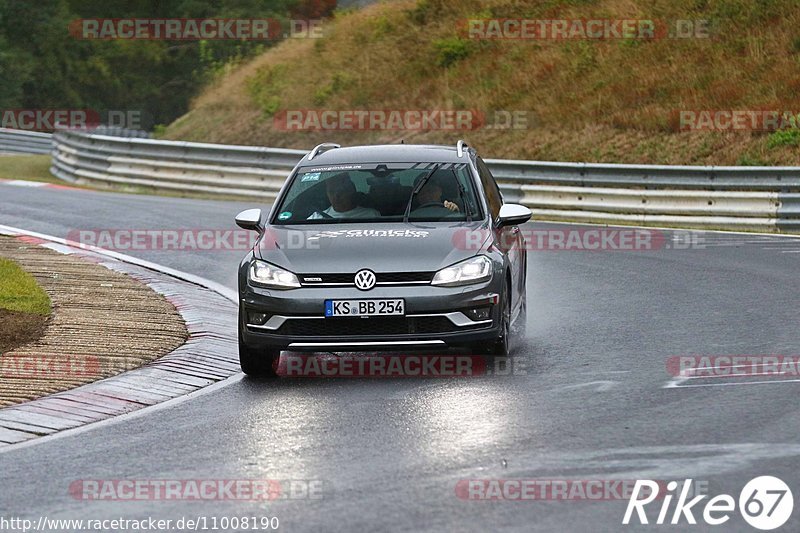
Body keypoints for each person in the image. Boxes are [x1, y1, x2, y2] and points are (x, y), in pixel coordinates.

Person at [308, 173, 381, 219]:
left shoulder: (371, 215)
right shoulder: (316, 218)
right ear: (327, 193)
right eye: (331, 192)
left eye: (340, 191)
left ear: (351, 191)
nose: (336, 196)